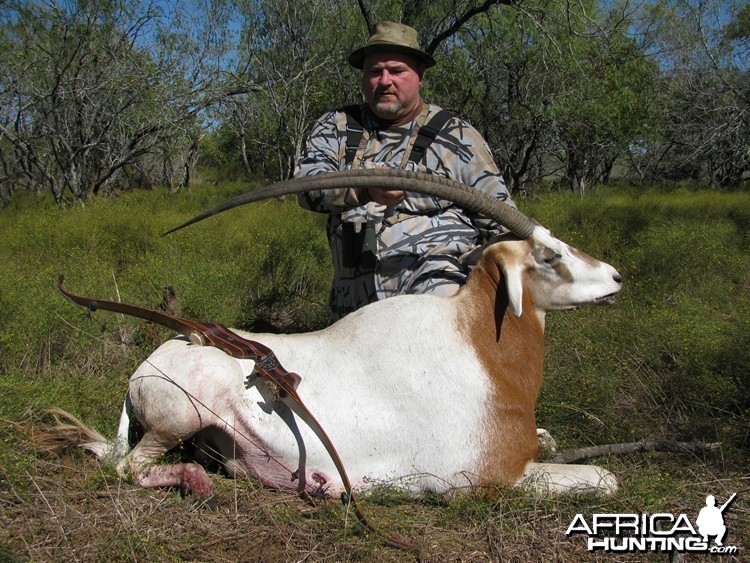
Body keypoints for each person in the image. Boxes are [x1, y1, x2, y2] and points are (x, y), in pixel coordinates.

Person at [296, 21, 514, 320]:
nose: (385, 80)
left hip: (439, 311)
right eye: (375, 71)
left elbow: (504, 224)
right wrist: (364, 191)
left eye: (396, 71)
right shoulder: (336, 126)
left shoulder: (458, 136)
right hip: (355, 312)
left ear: (419, 75)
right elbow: (306, 190)